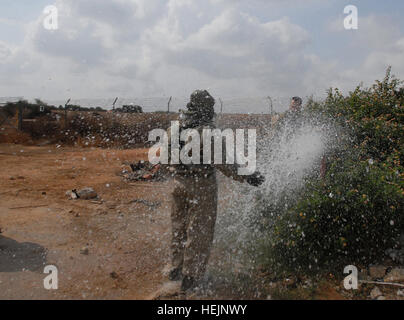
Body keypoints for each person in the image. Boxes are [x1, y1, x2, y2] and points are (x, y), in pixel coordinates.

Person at [163, 90, 265, 294]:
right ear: (207, 108)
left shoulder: (174, 128)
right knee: (199, 232)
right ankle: (191, 279)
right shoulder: (207, 131)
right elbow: (225, 164)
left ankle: (175, 269)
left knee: (179, 228)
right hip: (201, 187)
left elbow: (166, 159)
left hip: (178, 184)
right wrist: (248, 175)